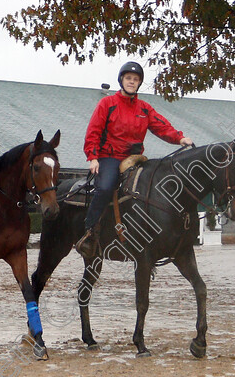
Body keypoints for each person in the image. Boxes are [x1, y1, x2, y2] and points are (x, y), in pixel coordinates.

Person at [75, 61, 193, 258]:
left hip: (134, 158)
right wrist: (93, 157)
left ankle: (146, 238)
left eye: (135, 79)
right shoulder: (107, 104)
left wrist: (179, 138)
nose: (131, 82)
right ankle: (90, 231)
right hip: (110, 157)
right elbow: (94, 130)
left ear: (139, 83)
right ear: (121, 80)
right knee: (105, 187)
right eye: (128, 78)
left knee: (152, 187)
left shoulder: (144, 108)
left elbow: (161, 127)